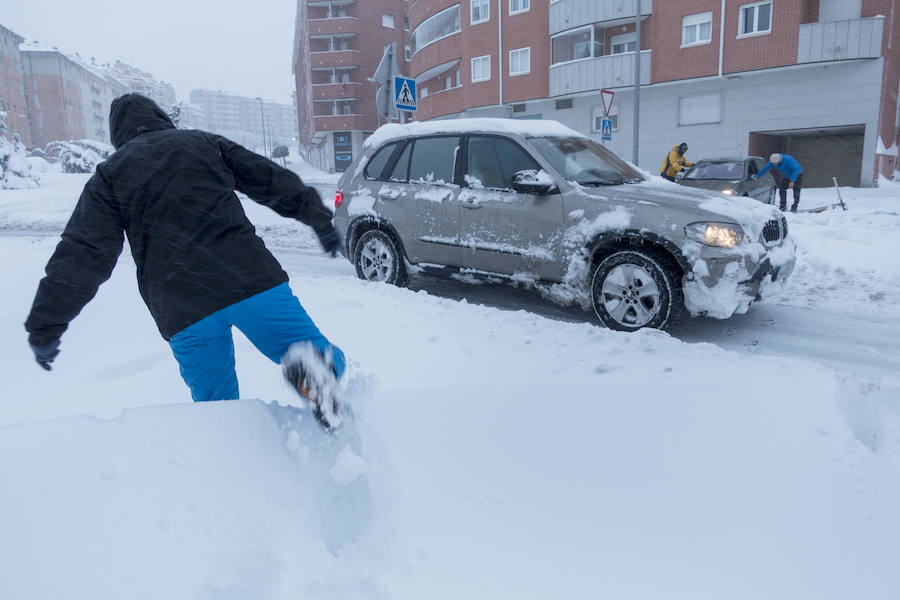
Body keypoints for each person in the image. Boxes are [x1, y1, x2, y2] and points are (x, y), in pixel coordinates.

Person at [25, 93, 346, 428]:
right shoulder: (203, 143)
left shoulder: (111, 175)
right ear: (161, 118)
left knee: (216, 408)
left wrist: (47, 323)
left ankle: (236, 462)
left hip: (181, 305)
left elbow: (84, 251)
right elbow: (268, 179)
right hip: (249, 279)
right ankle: (318, 373)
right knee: (317, 354)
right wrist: (317, 218)